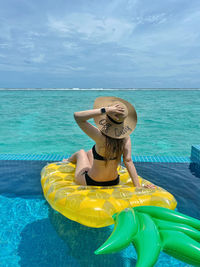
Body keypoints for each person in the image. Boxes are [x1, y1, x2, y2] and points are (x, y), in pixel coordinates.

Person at [63, 96, 155, 188]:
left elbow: (77, 117)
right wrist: (138, 187)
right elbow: (128, 161)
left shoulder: (100, 137)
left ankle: (67, 161)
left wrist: (106, 110)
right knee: (90, 152)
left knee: (81, 152)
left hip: (91, 181)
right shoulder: (125, 137)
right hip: (114, 181)